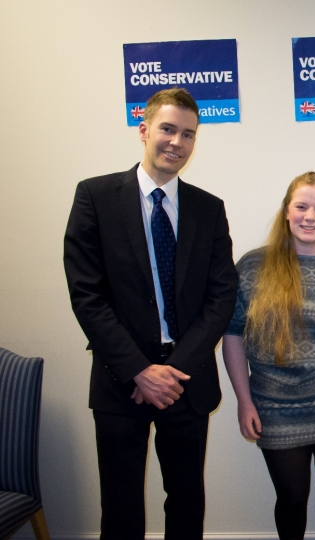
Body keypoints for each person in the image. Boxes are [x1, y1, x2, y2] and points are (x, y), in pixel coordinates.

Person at [63, 87, 237, 539]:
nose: (177, 142)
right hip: (122, 382)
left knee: (186, 504)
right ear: (144, 129)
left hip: (187, 382)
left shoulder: (208, 208)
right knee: (120, 509)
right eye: (167, 129)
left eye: (188, 134)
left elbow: (221, 298)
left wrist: (173, 370)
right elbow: (87, 295)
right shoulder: (95, 198)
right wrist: (140, 370)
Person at [222, 171, 315, 540]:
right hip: (275, 406)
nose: (310, 216)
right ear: (286, 212)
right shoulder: (253, 266)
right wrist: (244, 402)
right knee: (292, 497)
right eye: (302, 206)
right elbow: (233, 335)